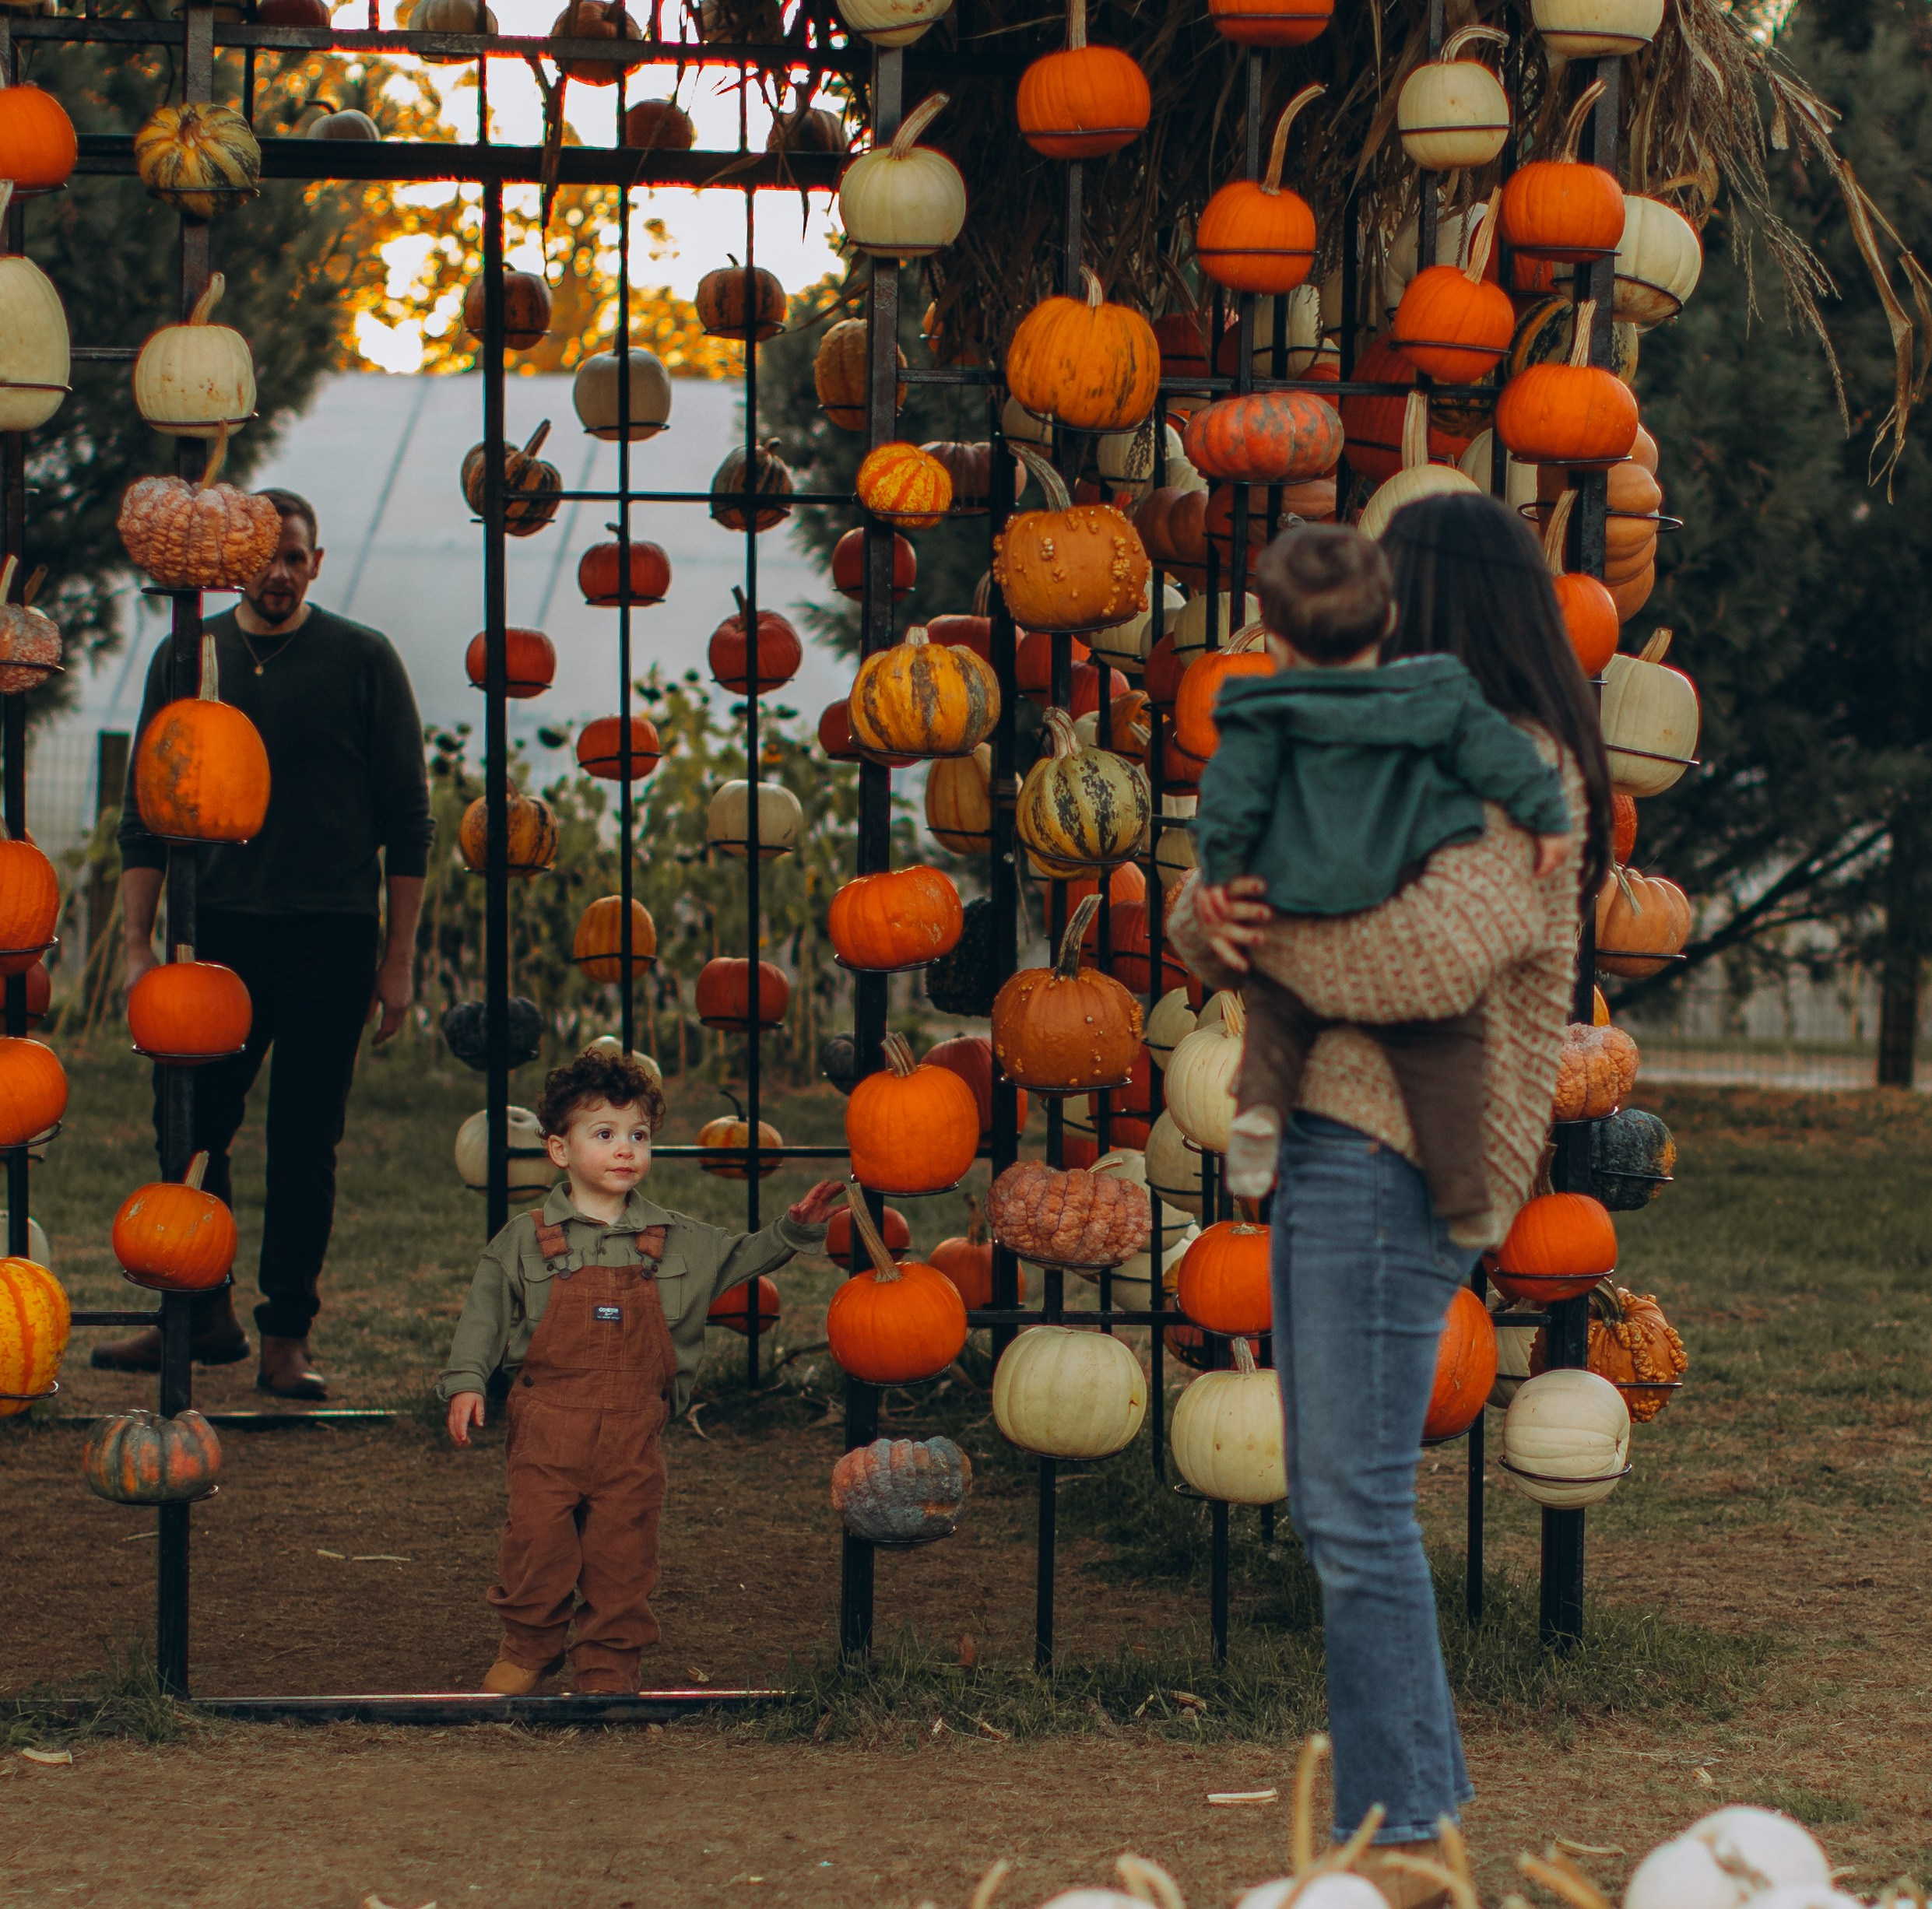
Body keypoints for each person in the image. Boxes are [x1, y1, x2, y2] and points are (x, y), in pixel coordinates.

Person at [1166, 493, 1613, 1906]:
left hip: (1395, 1150)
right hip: (1331, 1140)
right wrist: (1211, 918)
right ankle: (1402, 1819)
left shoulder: (1518, 769)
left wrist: (1274, 933)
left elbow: (1431, 957)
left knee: (1350, 1504)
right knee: (1336, 1499)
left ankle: (1407, 1829)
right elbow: (1222, 904)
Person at [95, 491, 434, 1400]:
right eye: (265, 557)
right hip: (215, 931)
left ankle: (287, 1332)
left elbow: (408, 822)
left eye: (296, 556)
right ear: (237, 560)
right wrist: (137, 942)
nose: (278, 572)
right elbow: (144, 814)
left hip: (329, 933)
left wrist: (396, 959)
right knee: (195, 1130)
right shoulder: (188, 653)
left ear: (316, 564)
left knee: (304, 1136)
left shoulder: (362, 659)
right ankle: (201, 1311)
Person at [1193, 525, 1573, 1232]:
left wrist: (1219, 873)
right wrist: (1546, 816)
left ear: (1273, 636)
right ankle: (1464, 1192)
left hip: (1292, 903)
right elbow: (1502, 759)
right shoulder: (1432, 699)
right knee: (1446, 1049)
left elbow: (1229, 800)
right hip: (1387, 884)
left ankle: (1258, 1118)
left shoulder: (1261, 717)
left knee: (1275, 1020)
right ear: (1390, 620)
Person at [440, 1047, 843, 1696]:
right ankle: (530, 1646)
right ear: (558, 1151)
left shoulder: (675, 1239)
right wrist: (464, 1382)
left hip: (633, 1436)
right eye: (604, 1134)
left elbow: (741, 1258)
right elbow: (483, 1315)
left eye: (639, 1135)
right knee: (537, 1543)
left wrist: (792, 1231)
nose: (625, 1149)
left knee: (622, 1556)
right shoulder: (524, 1238)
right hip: (547, 1431)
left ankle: (608, 1663)